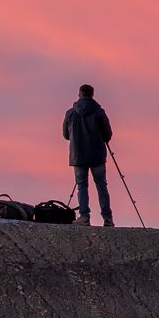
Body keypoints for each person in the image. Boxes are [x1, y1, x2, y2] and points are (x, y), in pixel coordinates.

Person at [62, 83, 114, 227]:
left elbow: (66, 135)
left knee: (82, 186)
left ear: (79, 95)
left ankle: (84, 217)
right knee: (101, 186)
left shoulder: (71, 113)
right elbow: (108, 134)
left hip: (78, 156)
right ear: (92, 95)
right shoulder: (99, 112)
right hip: (97, 154)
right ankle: (107, 218)